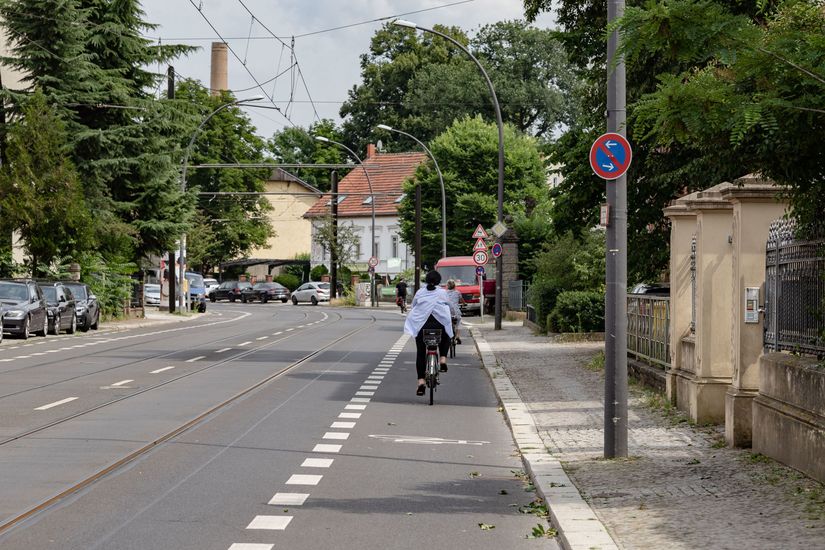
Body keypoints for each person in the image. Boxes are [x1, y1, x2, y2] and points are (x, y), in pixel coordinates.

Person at [404, 270, 453, 396]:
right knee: (447, 333)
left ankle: (421, 382)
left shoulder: (420, 292)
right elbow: (450, 306)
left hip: (422, 326)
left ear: (426, 280)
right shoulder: (443, 292)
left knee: (421, 352)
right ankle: (442, 359)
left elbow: (413, 306)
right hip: (439, 325)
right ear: (439, 281)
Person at [445, 279, 463, 345]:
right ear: (454, 286)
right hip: (456, 312)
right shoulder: (458, 292)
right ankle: (457, 336)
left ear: (447, 286)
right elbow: (462, 300)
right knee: (459, 321)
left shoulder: (445, 293)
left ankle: (446, 336)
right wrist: (464, 303)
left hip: (447, 312)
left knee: (446, 322)